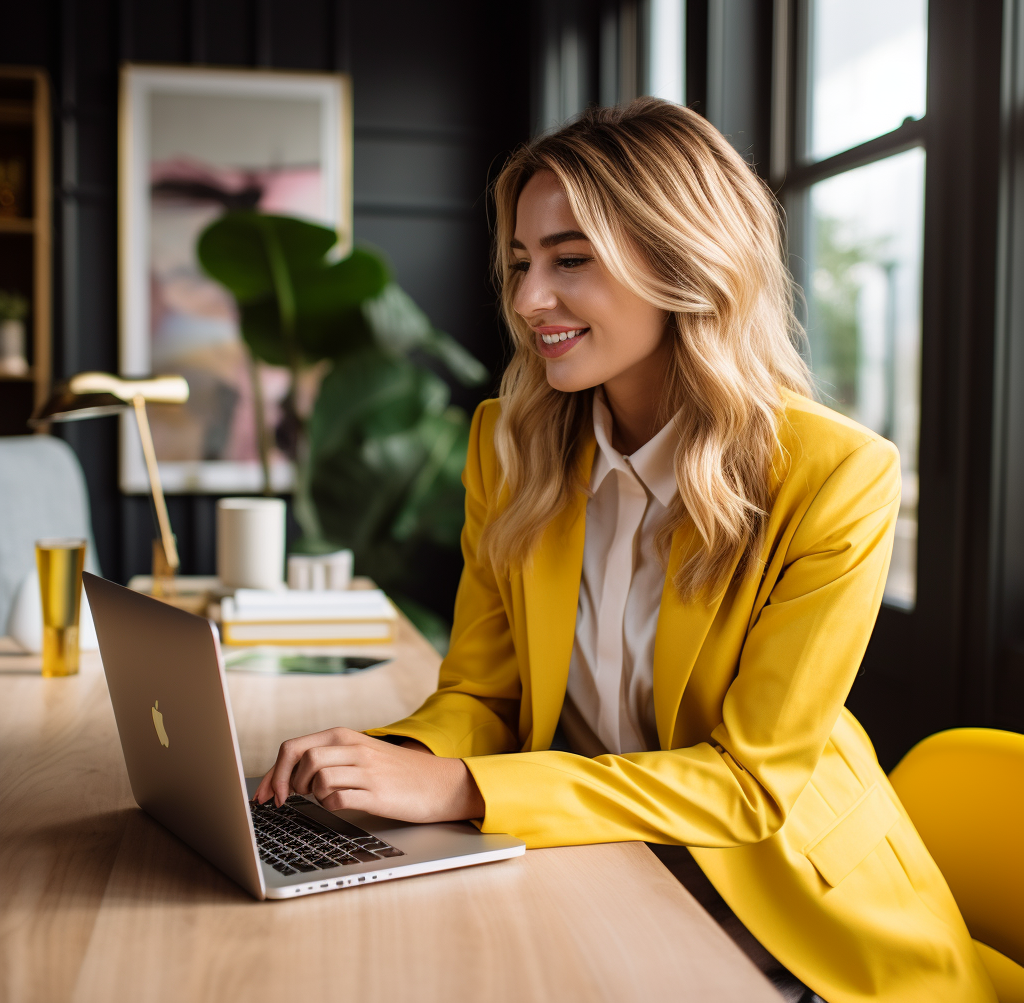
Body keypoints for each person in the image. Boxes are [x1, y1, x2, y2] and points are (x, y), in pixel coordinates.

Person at [253, 99, 995, 1003]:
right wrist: (381, 762)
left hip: (792, 919)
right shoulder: (510, 443)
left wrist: (460, 791)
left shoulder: (837, 476)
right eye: (522, 262)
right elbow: (485, 693)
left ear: (684, 262)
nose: (528, 300)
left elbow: (747, 789)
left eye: (572, 260)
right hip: (599, 865)